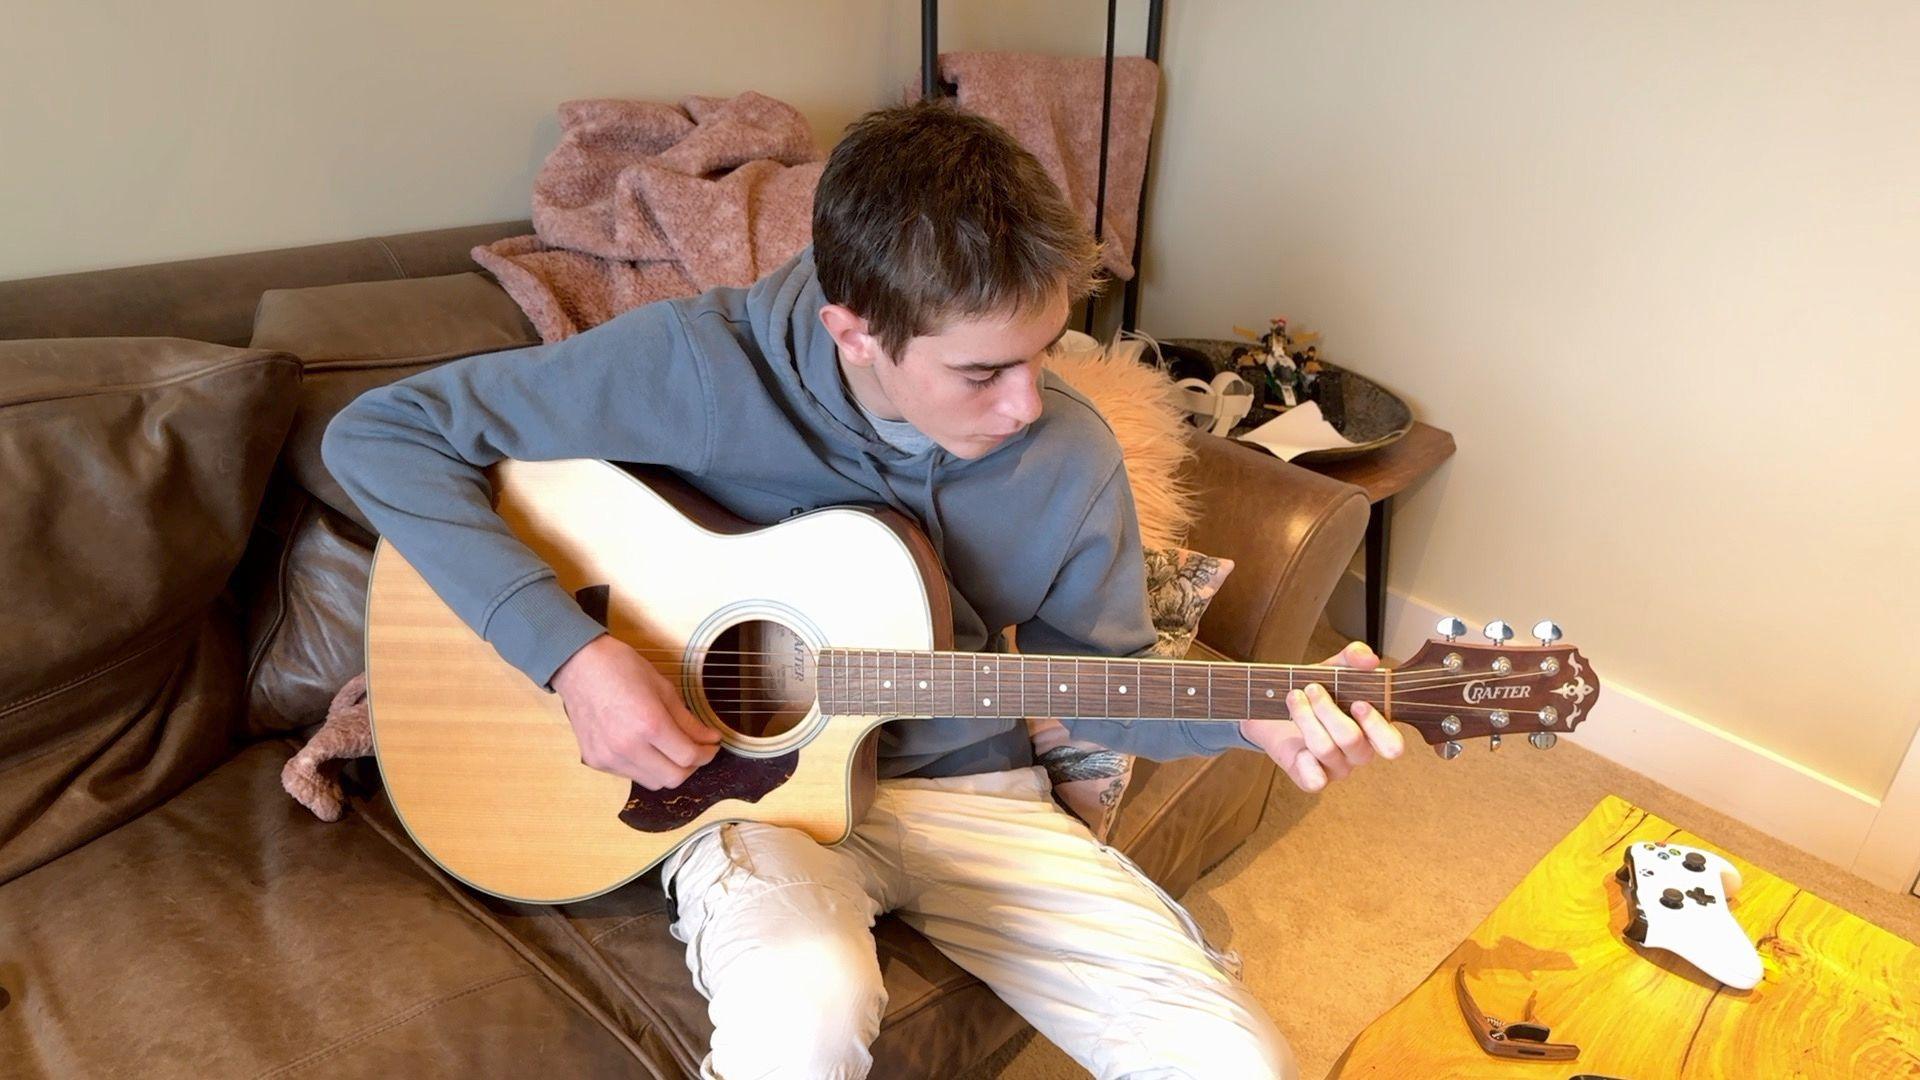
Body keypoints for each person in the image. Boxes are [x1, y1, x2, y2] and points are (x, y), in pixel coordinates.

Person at [323, 99, 1403, 1080]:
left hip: (969, 790)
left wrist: (1252, 719)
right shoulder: (696, 371)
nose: (1030, 404)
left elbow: (1106, 681)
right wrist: (574, 655)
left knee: (1236, 1061)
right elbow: (383, 433)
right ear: (855, 332)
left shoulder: (1069, 456)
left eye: (1043, 350)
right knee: (804, 1016)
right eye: (982, 372)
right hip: (752, 799)